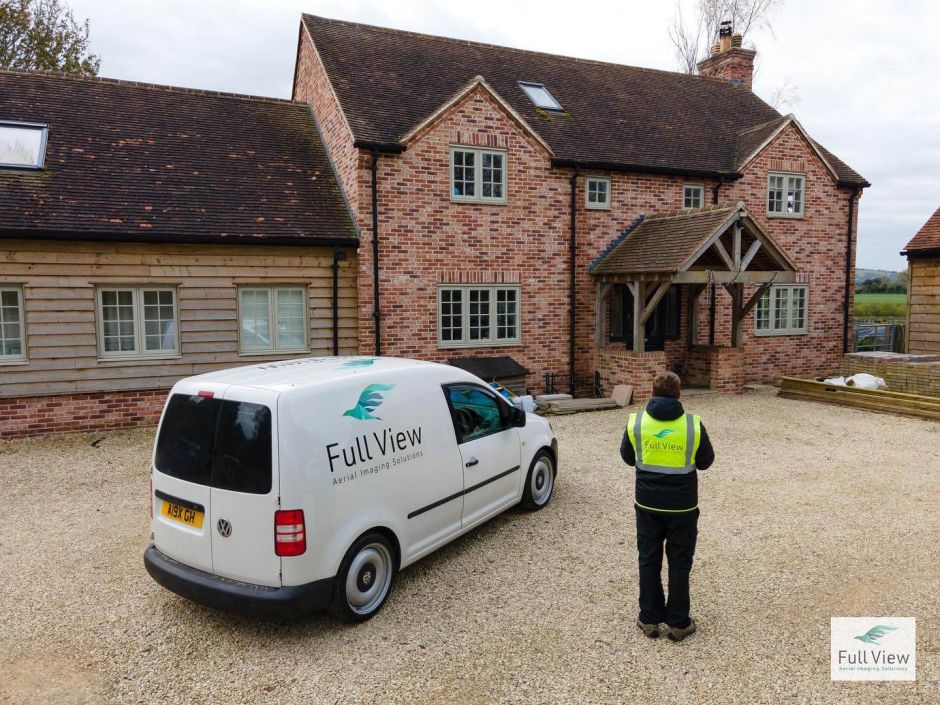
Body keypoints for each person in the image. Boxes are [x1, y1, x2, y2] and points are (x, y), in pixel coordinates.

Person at [620, 371, 714, 642]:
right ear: (679, 395)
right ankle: (679, 623)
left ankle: (649, 619)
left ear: (652, 393)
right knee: (679, 562)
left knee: (648, 559)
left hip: (647, 504)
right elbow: (706, 462)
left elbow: (628, 457)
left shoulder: (637, 422)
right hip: (683, 508)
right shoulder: (693, 426)